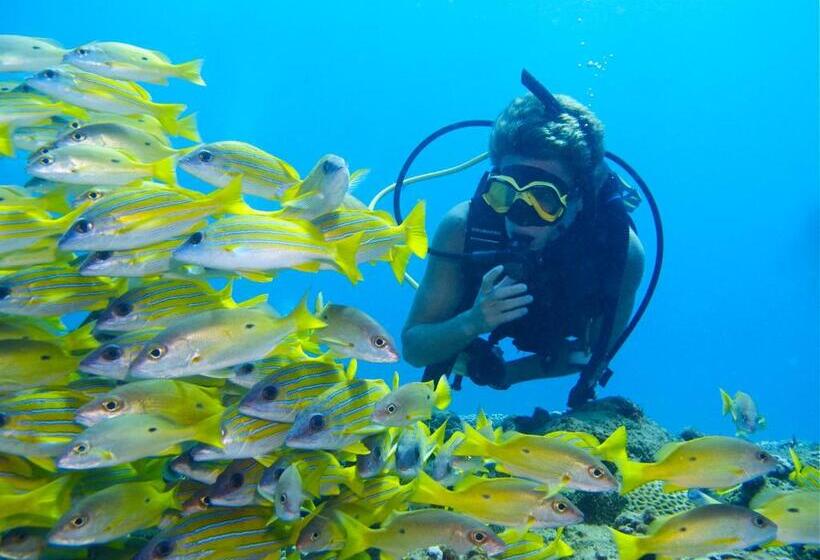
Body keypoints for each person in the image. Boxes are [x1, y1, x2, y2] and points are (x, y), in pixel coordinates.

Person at [401, 90, 645, 408]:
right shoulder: (462, 229)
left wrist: (506, 374)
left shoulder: (619, 253)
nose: (519, 217)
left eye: (543, 199)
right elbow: (413, 347)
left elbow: (591, 354)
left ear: (579, 198)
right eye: (505, 193)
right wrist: (472, 322)